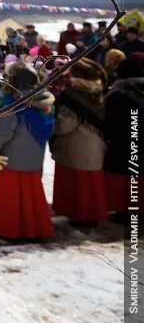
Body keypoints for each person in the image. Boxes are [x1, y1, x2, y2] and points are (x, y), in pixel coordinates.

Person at [0, 62, 55, 241]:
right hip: (34, 159)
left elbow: (1, 132)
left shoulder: (14, 105)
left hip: (9, 160)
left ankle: (6, 229)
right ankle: (33, 228)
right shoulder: (45, 104)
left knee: (9, 197)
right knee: (31, 197)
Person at [49, 60, 108, 227]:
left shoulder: (73, 96)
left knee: (78, 185)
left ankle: (80, 216)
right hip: (95, 146)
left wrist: (51, 125)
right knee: (91, 184)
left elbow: (64, 126)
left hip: (75, 148)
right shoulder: (99, 93)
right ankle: (91, 214)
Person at [103, 54, 144, 222]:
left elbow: (109, 122)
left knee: (125, 177)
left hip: (122, 143)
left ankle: (125, 212)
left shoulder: (115, 95)